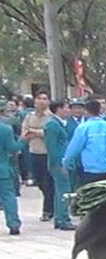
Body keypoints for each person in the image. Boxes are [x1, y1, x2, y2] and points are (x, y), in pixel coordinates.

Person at [62, 99, 106, 187]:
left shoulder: (83, 128)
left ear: (86, 111)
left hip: (89, 171)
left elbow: (74, 148)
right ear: (100, 110)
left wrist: (66, 163)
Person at [20, 91, 56, 221]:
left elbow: (49, 133)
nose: (42, 101)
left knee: (48, 182)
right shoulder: (30, 116)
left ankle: (48, 210)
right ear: (35, 101)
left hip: (48, 153)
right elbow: (24, 133)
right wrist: (37, 133)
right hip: (34, 152)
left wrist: (34, 131)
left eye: (45, 98)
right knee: (39, 181)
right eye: (39, 98)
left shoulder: (52, 117)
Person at [43, 100, 75, 230]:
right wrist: (60, 163)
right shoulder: (52, 125)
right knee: (63, 191)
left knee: (60, 190)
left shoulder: (61, 124)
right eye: (66, 108)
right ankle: (63, 219)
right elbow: (52, 147)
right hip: (59, 163)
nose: (69, 110)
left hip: (63, 161)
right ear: (59, 109)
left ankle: (59, 218)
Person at [0, 116, 18, 234]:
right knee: (8, 197)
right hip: (3, 169)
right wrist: (23, 140)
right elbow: (12, 148)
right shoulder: (6, 129)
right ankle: (13, 224)